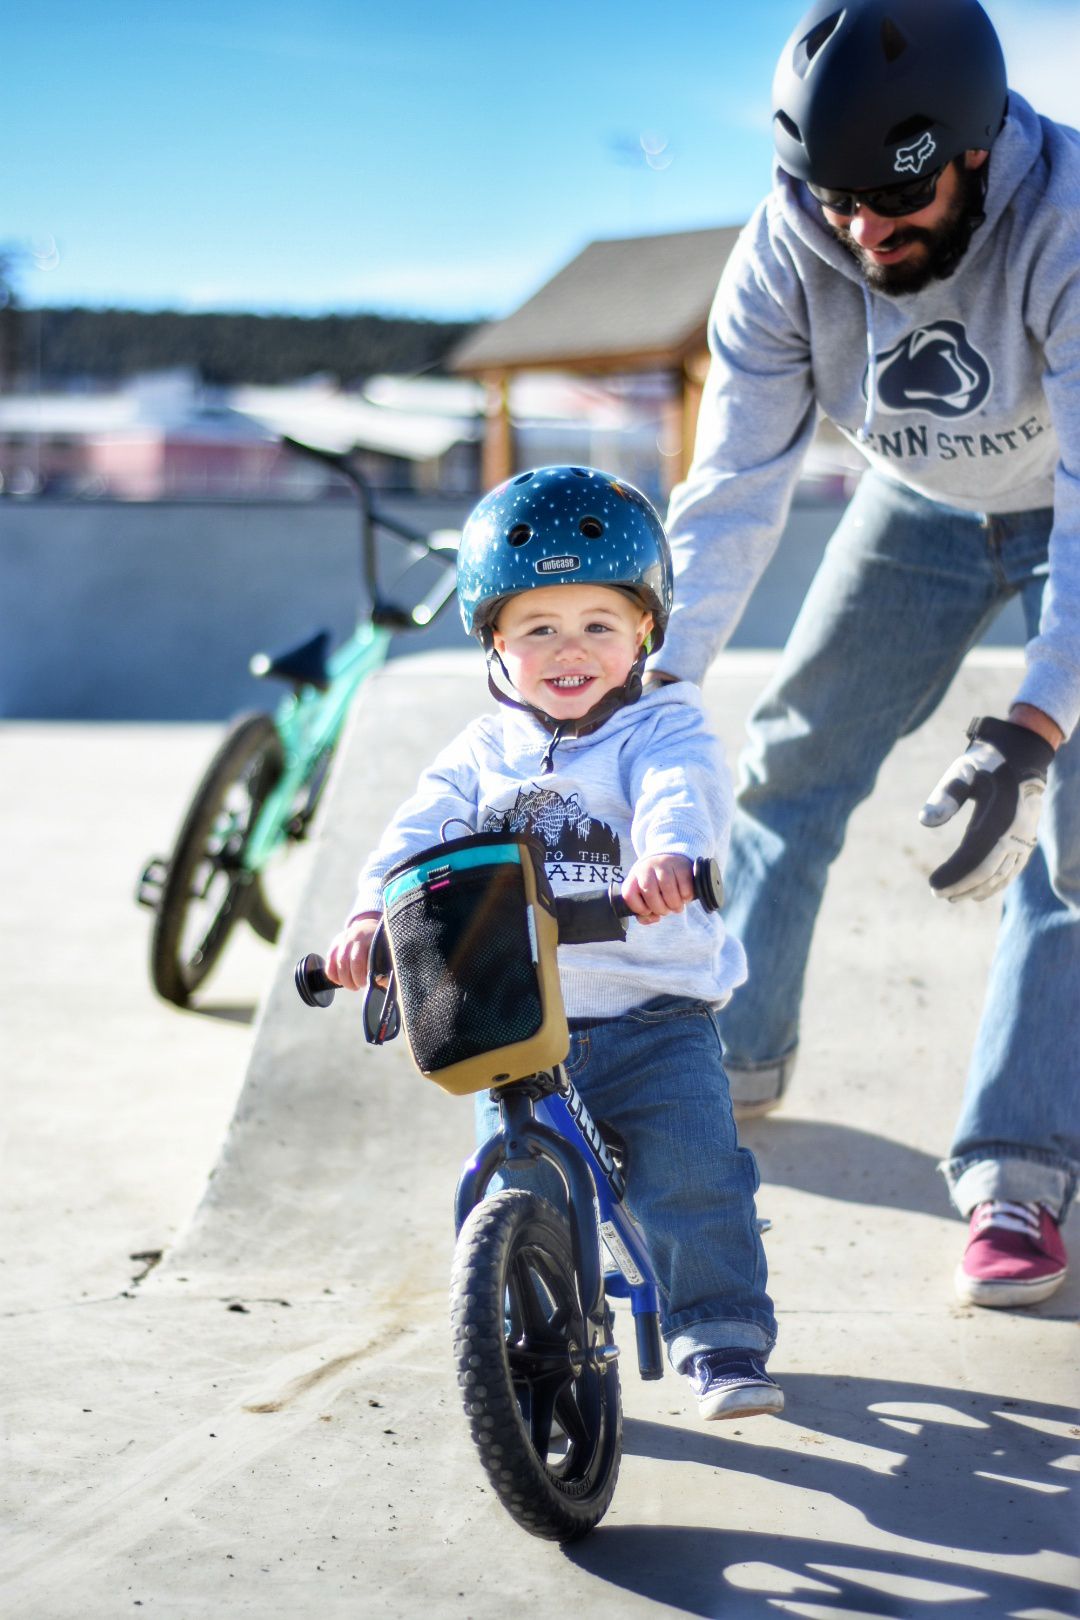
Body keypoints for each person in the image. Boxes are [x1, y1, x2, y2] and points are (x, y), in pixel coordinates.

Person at [646, 0, 1078, 1309]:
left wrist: (1033, 730)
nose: (862, 234)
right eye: (837, 203)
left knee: (1067, 838)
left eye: (895, 207)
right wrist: (650, 695)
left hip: (1067, 503)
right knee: (792, 755)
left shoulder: (1067, 225)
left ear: (978, 149)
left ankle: (1020, 1169)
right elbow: (730, 490)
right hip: (919, 506)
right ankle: (741, 1048)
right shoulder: (788, 240)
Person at [326, 464, 783, 1420]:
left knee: (692, 1178)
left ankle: (721, 1338)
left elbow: (678, 793)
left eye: (598, 626)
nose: (570, 650)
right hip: (521, 1024)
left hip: (655, 1013)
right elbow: (415, 833)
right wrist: (372, 914)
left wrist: (667, 858)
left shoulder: (663, 723)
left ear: (645, 633)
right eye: (539, 629)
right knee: (520, 1188)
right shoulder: (480, 752)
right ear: (494, 642)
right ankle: (540, 1353)